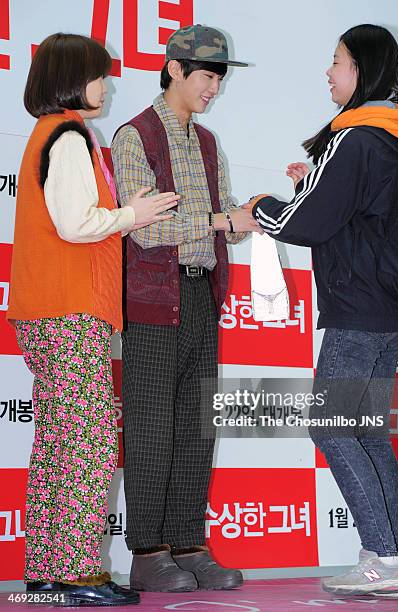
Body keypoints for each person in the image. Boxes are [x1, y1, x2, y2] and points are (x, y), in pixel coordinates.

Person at [247, 24, 398, 596]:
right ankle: (381, 555)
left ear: (362, 70)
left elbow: (308, 222)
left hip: (357, 309)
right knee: (367, 432)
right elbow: (354, 213)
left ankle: (386, 561)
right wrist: (311, 187)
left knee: (329, 425)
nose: (329, 72)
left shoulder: (357, 136)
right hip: (393, 310)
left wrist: (260, 207)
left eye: (338, 61)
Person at [7, 32, 180, 607]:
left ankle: (50, 572)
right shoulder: (68, 136)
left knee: (63, 442)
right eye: (98, 76)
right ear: (70, 80)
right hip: (69, 310)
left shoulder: (49, 135)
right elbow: (78, 223)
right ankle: (77, 574)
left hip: (51, 310)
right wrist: (135, 212)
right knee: (86, 443)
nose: (106, 86)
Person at [111, 24, 261, 592]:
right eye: (206, 76)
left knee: (197, 427)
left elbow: (225, 219)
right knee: (151, 427)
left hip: (201, 294)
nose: (214, 88)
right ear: (173, 68)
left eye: (220, 78)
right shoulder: (134, 137)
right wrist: (222, 221)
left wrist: (254, 213)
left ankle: (189, 545)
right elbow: (145, 229)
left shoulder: (208, 142)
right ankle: (149, 552)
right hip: (152, 299)